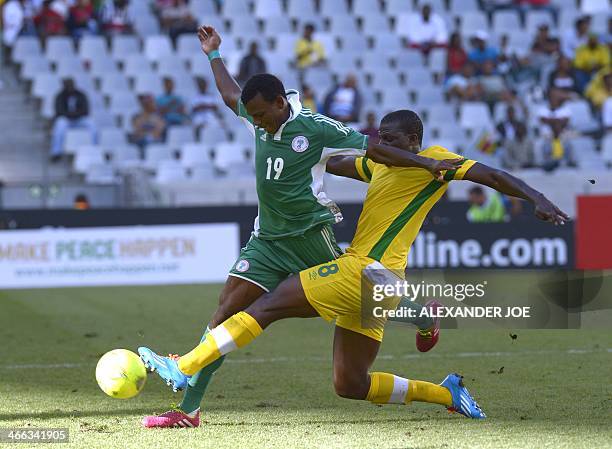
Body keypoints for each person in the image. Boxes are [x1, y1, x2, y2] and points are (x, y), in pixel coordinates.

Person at [139, 109, 568, 421]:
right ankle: (446, 394)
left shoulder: (436, 162)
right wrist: (305, 148)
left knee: (264, 307)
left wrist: (537, 199)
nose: (382, 144)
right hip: (378, 281)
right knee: (351, 384)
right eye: (379, 137)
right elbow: (341, 160)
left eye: (392, 139)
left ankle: (184, 366)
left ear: (414, 140)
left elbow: (491, 176)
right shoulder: (380, 163)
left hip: (363, 271)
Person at [136, 24, 464, 429]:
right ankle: (189, 411)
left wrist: (428, 164)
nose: (256, 122)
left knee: (363, 299)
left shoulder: (317, 128)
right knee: (223, 313)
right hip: (267, 241)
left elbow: (375, 147)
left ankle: (422, 317)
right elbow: (229, 95)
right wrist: (213, 54)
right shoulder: (257, 116)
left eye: (261, 115)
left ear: (280, 103)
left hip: (312, 238)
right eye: (251, 116)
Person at [50, 78, 96, 161]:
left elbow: (86, 110)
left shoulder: (81, 95)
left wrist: (75, 114)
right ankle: (56, 152)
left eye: (71, 85)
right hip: (66, 119)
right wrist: (70, 115)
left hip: (79, 119)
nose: (69, 87)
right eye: (67, 85)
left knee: (92, 124)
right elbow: (59, 111)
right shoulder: (59, 96)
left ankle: (95, 148)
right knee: (60, 124)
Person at [536, 88, 575, 170]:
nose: (555, 97)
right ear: (549, 96)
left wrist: (550, 121)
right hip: (546, 136)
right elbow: (543, 120)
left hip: (563, 135)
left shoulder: (566, 109)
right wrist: (558, 121)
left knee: (570, 142)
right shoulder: (542, 109)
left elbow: (565, 121)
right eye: (553, 95)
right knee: (540, 144)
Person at [496, 105, 534, 170]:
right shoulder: (500, 125)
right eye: (509, 113)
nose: (510, 114)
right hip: (507, 146)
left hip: (525, 163)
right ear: (506, 114)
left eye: (512, 112)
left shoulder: (520, 124)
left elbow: (532, 155)